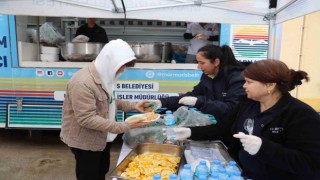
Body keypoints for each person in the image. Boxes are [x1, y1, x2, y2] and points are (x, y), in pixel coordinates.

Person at [170, 60, 320, 179]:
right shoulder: (248, 104)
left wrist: (265, 148)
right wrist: (190, 132)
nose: (244, 86)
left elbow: (310, 163)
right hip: (241, 173)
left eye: (249, 82)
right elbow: (224, 129)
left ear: (270, 85)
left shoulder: (300, 115)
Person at [60, 39, 153, 180]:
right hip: (86, 142)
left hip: (103, 138)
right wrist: (124, 126)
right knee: (89, 175)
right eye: (121, 66)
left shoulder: (105, 76)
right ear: (109, 62)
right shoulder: (82, 83)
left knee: (102, 170)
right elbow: (86, 119)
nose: (123, 70)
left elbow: (109, 101)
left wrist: (134, 105)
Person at [152, 44, 245, 127]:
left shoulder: (236, 78)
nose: (198, 66)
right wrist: (161, 102)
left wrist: (199, 101)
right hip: (221, 126)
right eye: (198, 62)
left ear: (216, 62)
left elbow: (231, 108)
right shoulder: (208, 77)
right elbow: (190, 96)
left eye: (202, 63)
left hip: (238, 128)